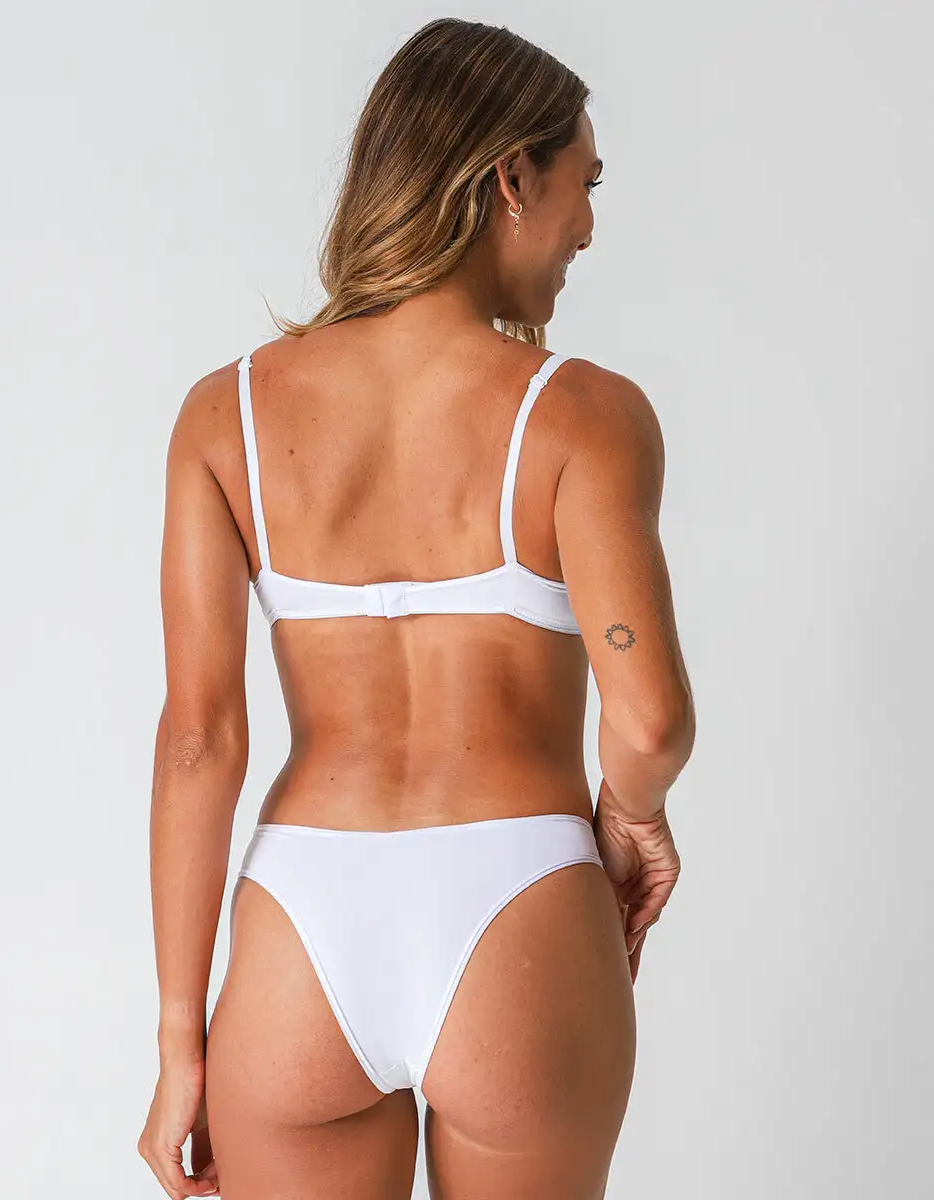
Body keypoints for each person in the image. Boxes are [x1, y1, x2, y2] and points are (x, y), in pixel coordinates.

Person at [138, 16, 694, 1200]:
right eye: (584, 183)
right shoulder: (581, 413)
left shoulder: (224, 415)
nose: (588, 227)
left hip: (300, 928)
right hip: (521, 906)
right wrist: (631, 820)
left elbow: (198, 740)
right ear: (511, 178)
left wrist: (182, 1040)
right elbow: (646, 723)